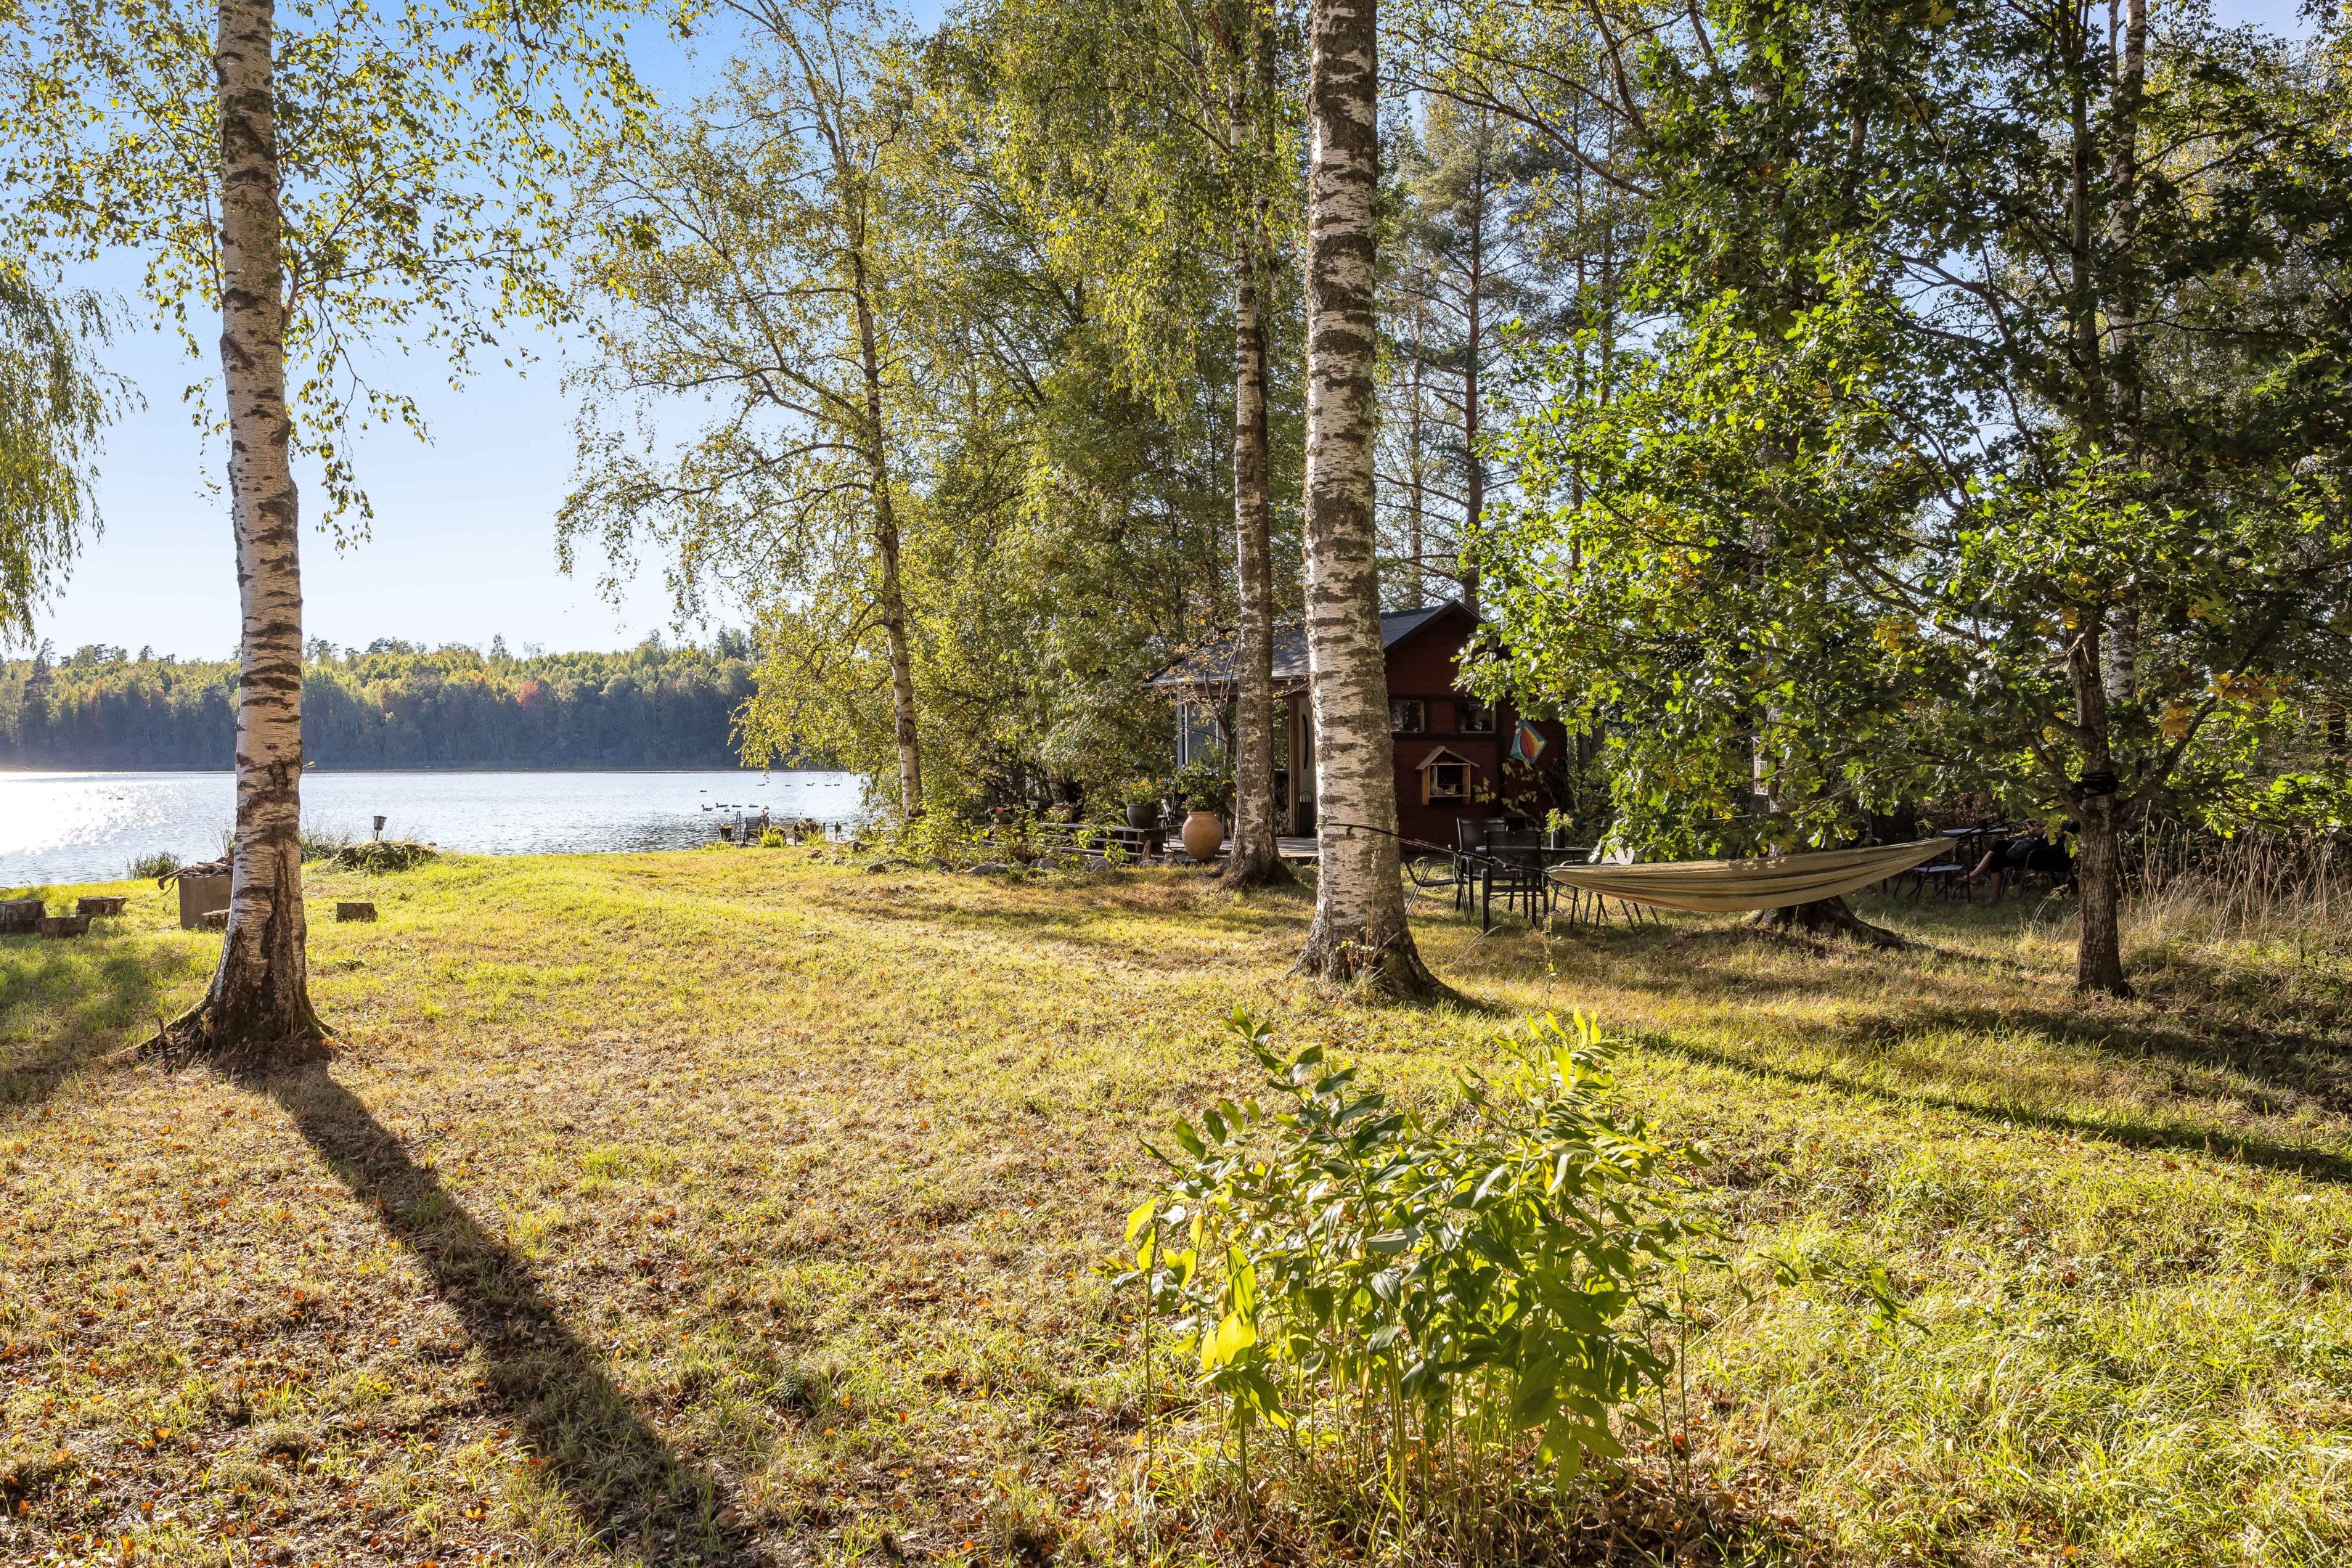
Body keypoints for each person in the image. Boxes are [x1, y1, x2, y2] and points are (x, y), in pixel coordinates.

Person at [1967, 824, 2075, 901]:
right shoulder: (2061, 823)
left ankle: (1974, 876)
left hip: (2046, 858)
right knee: (1997, 857)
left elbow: (2056, 846)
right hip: (2039, 854)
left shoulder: (2073, 825)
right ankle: (1994, 897)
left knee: (2000, 846)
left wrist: (2041, 834)